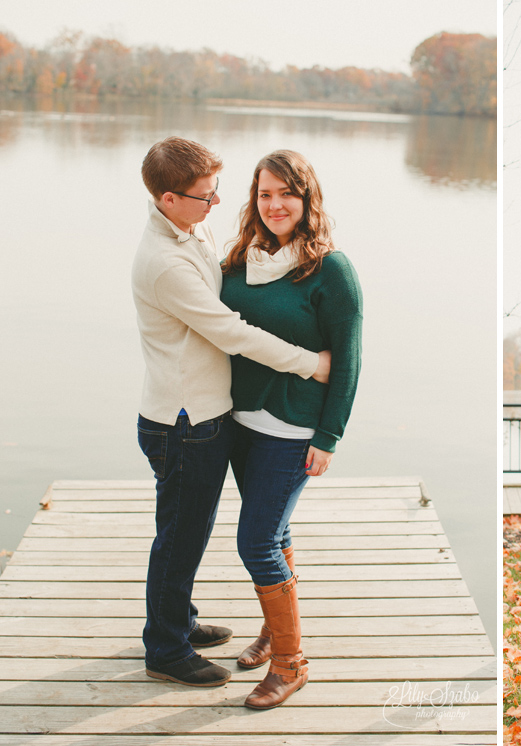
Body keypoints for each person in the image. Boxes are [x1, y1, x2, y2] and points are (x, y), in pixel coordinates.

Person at [132, 137, 332, 687]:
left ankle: (178, 620)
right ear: (168, 199)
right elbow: (229, 331)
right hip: (184, 421)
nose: (216, 203)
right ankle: (166, 649)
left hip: (202, 414)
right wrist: (310, 365)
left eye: (217, 190)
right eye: (203, 196)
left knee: (187, 531)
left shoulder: (191, 228)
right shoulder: (164, 263)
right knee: (179, 535)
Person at [220, 150, 363, 709]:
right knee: (273, 533)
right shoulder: (240, 260)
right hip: (238, 421)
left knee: (254, 540)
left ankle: (291, 661)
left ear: (307, 200)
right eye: (264, 194)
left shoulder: (331, 268)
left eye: (286, 194)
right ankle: (273, 633)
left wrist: (329, 438)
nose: (275, 205)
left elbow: (348, 361)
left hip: (292, 426)